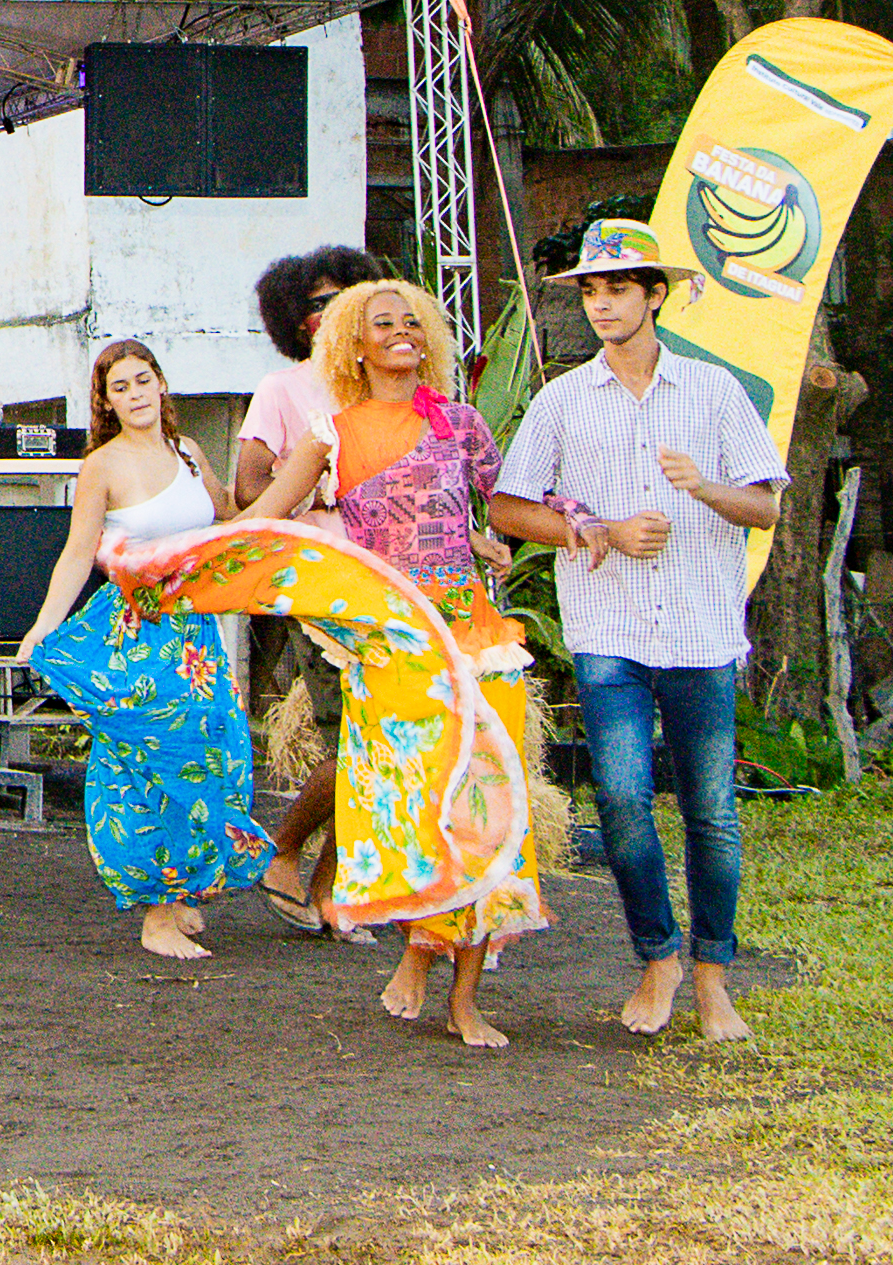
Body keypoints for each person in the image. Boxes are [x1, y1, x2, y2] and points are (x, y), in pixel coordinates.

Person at [490, 219, 784, 1044]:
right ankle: (657, 958)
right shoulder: (560, 398)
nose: (602, 304)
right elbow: (510, 508)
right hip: (609, 626)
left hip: (700, 629)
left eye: (618, 288)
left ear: (657, 295)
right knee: (620, 798)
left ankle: (715, 978)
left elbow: (765, 505)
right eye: (590, 290)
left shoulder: (715, 393)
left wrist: (705, 489)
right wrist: (604, 530)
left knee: (711, 810)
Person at [15, 338, 322, 955]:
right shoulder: (102, 464)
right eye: (119, 387)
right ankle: (154, 912)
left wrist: (301, 493)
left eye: (143, 380)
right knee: (148, 761)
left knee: (215, 752)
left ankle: (183, 893)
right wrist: (43, 626)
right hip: (137, 630)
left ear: (161, 384)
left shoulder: (188, 452)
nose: (135, 395)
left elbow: (225, 525)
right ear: (105, 401)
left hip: (196, 635)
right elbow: (80, 551)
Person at [311, 277, 545, 1047]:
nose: (404, 331)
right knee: (413, 819)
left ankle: (466, 997)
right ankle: (419, 944)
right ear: (356, 343)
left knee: (489, 816)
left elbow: (507, 503)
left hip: (477, 644)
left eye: (413, 321)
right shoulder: (334, 434)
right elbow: (267, 519)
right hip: (398, 652)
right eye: (385, 323)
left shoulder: (461, 423)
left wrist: (531, 534)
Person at [243, 245, 396, 931]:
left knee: (386, 739)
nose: (332, 314)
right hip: (319, 581)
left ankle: (330, 887)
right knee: (352, 739)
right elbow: (250, 487)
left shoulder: (386, 386)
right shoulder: (284, 392)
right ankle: (283, 851)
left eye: (347, 300)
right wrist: (309, 501)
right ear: (294, 320)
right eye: (316, 303)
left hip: (393, 582)